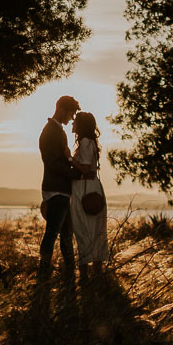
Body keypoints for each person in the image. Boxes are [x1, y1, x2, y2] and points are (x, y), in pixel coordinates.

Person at [38, 95, 79, 281]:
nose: (71, 119)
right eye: (70, 114)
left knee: (65, 234)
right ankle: (44, 270)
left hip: (61, 189)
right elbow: (54, 163)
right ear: (61, 109)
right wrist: (76, 173)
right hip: (56, 189)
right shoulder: (51, 132)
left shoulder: (56, 130)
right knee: (54, 232)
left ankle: (69, 271)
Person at [69, 111, 108, 278]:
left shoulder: (85, 142)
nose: (72, 124)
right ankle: (97, 271)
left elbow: (85, 168)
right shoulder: (91, 142)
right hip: (92, 187)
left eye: (75, 122)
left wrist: (69, 158)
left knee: (83, 228)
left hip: (84, 189)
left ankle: (84, 273)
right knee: (96, 229)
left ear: (81, 125)